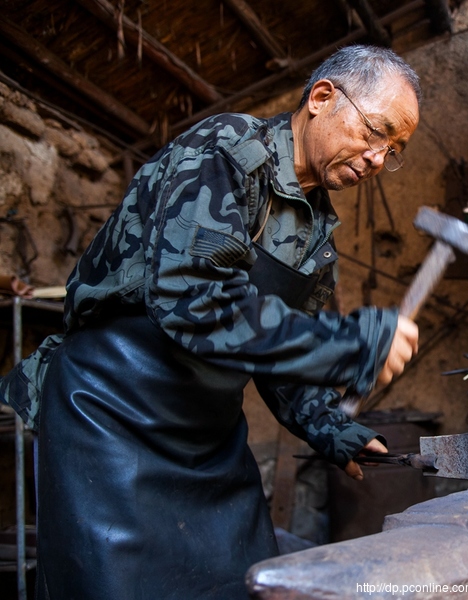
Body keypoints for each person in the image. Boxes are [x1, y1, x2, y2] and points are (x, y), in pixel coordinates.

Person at [0, 45, 421, 599]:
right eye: (376, 131)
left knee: (240, 584)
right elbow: (195, 304)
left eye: (393, 150)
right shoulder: (227, 151)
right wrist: (355, 342)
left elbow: (283, 360)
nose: (377, 158)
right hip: (112, 412)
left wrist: (331, 429)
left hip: (208, 436)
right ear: (322, 98)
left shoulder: (317, 236)